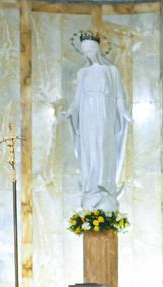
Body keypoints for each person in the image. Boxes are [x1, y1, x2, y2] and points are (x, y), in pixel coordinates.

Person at [65, 32, 132, 211]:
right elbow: (77, 99)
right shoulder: (82, 73)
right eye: (84, 51)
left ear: (97, 49)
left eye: (90, 50)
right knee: (90, 151)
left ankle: (105, 186)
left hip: (104, 116)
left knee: (103, 148)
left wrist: (124, 112)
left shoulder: (111, 71)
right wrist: (71, 111)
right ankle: (91, 187)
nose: (88, 54)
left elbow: (119, 95)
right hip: (87, 117)